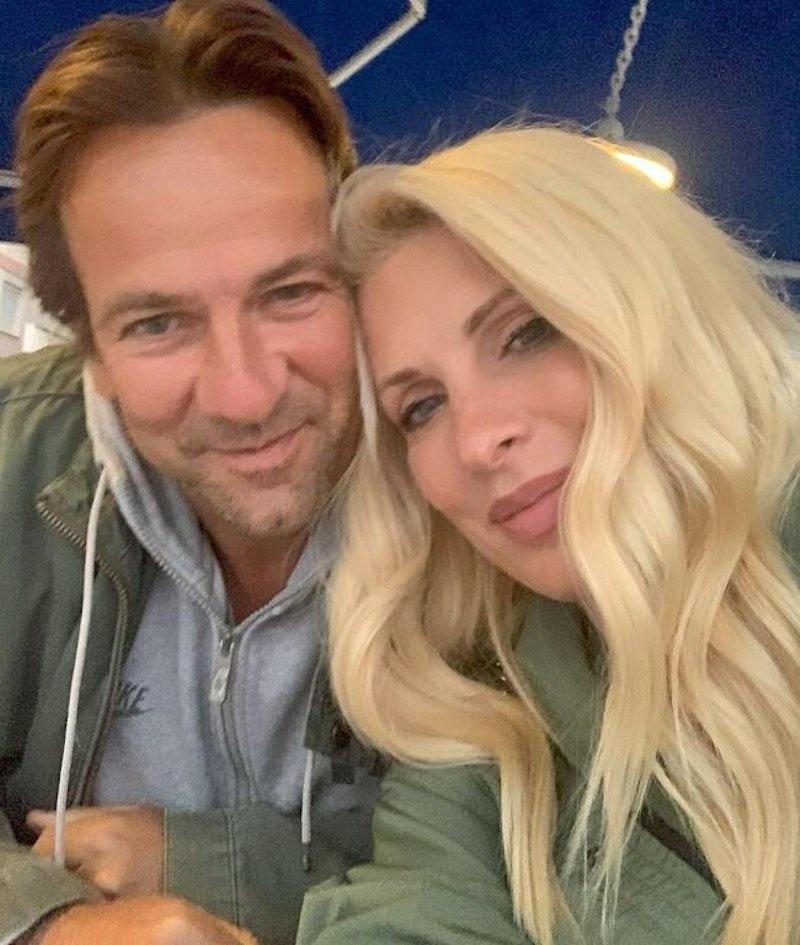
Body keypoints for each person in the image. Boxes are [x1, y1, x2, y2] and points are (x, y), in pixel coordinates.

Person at [296, 126, 800, 945]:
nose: (476, 439)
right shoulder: (492, 713)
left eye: (525, 334)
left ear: (653, 302)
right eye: (421, 406)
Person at [1, 2, 380, 943]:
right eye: (158, 323)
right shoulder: (12, 455)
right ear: (87, 347)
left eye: (290, 291)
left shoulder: (488, 489)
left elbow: (550, 876)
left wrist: (210, 866)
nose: (246, 394)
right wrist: (42, 922)